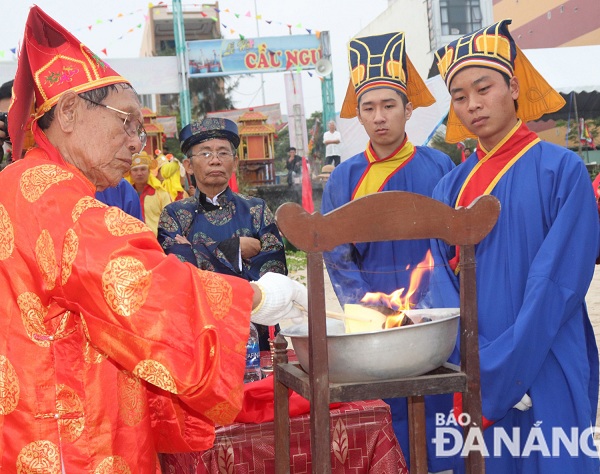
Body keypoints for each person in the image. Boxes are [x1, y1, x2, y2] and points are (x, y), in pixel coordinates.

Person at [2, 6, 308, 472]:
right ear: (67, 112)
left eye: (140, 127)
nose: (136, 142)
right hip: (68, 441)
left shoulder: (22, 182)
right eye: (125, 120)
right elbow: (139, 286)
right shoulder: (52, 196)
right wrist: (259, 296)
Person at [429, 19, 599, 472]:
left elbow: (558, 282)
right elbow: (441, 289)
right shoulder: (449, 188)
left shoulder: (563, 171)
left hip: (546, 353)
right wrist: (476, 362)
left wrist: (504, 369)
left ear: (515, 86)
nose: (473, 105)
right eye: (460, 97)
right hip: (473, 362)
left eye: (483, 88)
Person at [321, 32, 456, 472]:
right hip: (375, 323)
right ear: (358, 114)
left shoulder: (439, 166)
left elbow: (453, 247)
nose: (379, 118)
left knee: (441, 419)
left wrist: (434, 312)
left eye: (389, 106)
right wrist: (370, 310)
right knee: (386, 418)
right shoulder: (344, 177)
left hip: (434, 315)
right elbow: (337, 256)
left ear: (408, 108)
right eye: (368, 108)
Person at [157, 118, 288, 350]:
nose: (215, 160)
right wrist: (234, 249)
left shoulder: (256, 209)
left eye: (223, 153)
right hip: (197, 333)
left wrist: (194, 251)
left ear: (235, 162)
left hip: (254, 332)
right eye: (205, 154)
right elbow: (175, 272)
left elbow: (274, 271)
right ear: (188, 165)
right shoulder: (174, 214)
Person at [126, 151, 172, 235]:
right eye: (135, 170)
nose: (139, 173)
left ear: (149, 171)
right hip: (132, 243)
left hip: (156, 242)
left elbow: (169, 221)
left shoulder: (161, 193)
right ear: (130, 173)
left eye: (143, 169)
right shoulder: (125, 195)